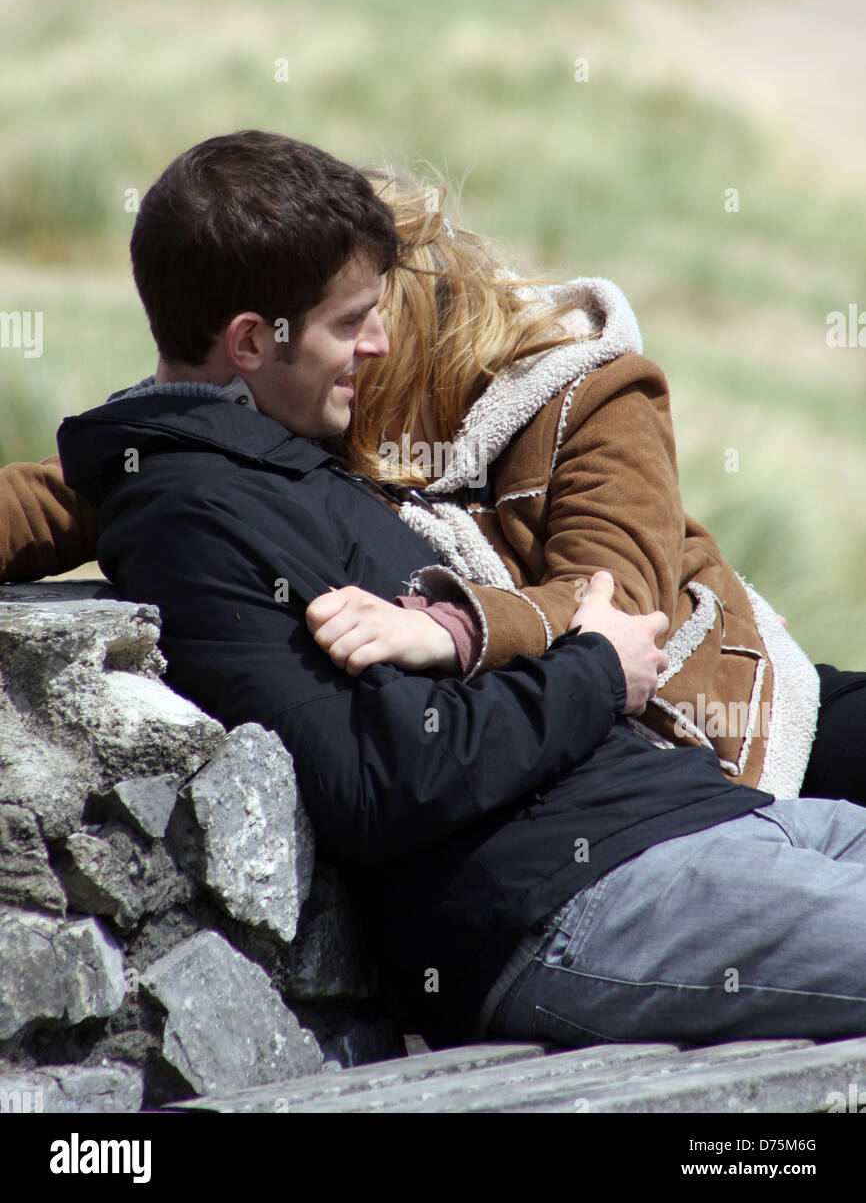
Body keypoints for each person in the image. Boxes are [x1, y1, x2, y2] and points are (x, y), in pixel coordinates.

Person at [6, 129, 866, 1054]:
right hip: (585, 895)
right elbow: (380, 781)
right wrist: (586, 677)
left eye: (383, 315)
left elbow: (612, 599)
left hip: (718, 801)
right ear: (256, 341)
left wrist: (463, 631)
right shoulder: (207, 494)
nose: (374, 349)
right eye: (351, 321)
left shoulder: (529, 406)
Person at [304, 164, 866, 810]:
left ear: (407, 335)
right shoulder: (317, 431)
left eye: (358, 325)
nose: (355, 353)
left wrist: (454, 629)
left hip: (748, 726)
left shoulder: (593, 393)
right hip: (592, 777)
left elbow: (616, 609)